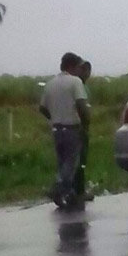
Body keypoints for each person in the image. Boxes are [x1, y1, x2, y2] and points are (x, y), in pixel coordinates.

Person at [39, 53, 90, 208]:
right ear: (71, 66)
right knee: (71, 162)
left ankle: (68, 193)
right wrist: (85, 124)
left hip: (56, 128)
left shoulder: (50, 83)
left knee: (62, 162)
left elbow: (42, 107)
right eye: (78, 67)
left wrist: (54, 117)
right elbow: (81, 105)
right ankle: (58, 188)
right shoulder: (75, 82)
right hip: (72, 127)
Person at [74, 61, 93, 201]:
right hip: (79, 127)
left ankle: (75, 189)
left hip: (77, 127)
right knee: (79, 160)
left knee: (77, 160)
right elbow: (82, 108)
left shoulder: (84, 87)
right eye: (84, 70)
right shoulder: (77, 86)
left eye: (87, 71)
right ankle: (78, 191)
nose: (86, 74)